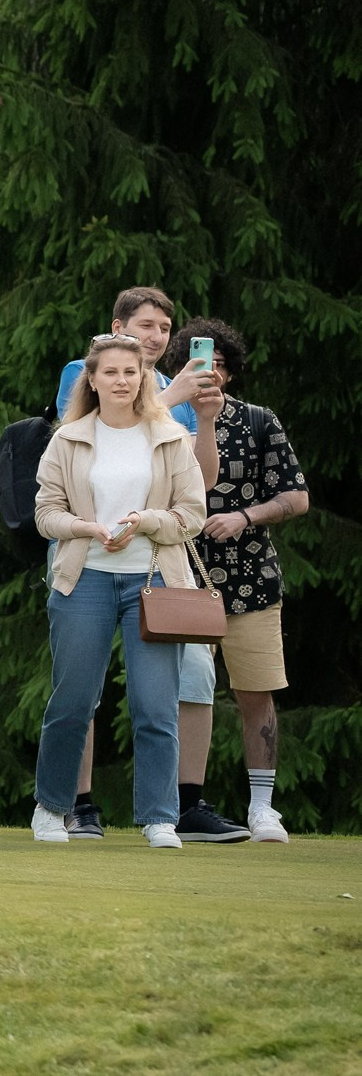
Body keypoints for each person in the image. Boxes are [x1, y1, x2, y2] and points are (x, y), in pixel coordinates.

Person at [49, 285, 222, 836]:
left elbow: (195, 498)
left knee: (158, 705)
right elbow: (50, 504)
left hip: (155, 574)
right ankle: (65, 807)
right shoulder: (78, 397)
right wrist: (87, 527)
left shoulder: (174, 407)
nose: (157, 337)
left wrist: (202, 421)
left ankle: (163, 817)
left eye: (165, 329)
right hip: (84, 570)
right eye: (146, 326)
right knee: (75, 700)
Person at [165, 320, 310, 843]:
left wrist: (244, 516)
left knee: (256, 692)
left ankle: (263, 808)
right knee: (187, 692)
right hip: (182, 577)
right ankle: (182, 805)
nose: (212, 374)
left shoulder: (258, 420)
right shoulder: (162, 420)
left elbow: (296, 496)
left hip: (251, 579)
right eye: (201, 364)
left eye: (221, 365)